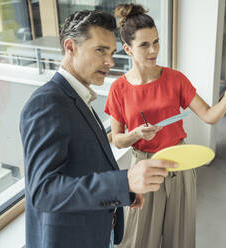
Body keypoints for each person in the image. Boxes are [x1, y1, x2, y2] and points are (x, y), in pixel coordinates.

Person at [20, 10, 176, 248]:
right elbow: (44, 191)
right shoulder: (47, 103)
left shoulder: (78, 97)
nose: (110, 62)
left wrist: (123, 192)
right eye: (100, 50)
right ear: (70, 47)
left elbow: (85, 164)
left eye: (112, 52)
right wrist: (123, 182)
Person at [105, 4, 226, 248]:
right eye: (144, 45)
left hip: (179, 163)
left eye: (157, 42)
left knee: (180, 237)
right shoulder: (118, 89)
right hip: (144, 167)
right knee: (140, 238)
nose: (154, 50)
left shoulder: (175, 79)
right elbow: (117, 139)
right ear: (128, 49)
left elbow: (209, 116)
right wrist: (136, 134)